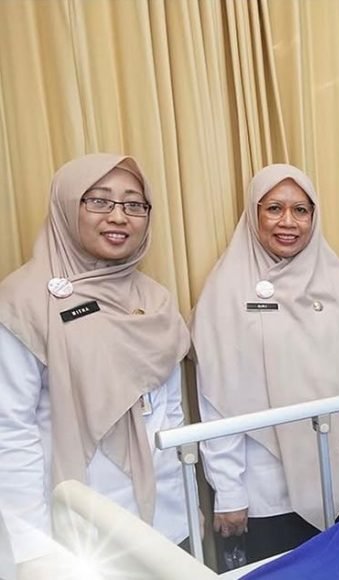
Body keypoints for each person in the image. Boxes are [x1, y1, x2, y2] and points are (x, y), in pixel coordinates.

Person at [0, 154, 191, 575]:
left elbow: (171, 412)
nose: (119, 217)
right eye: (99, 201)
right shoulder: (23, 301)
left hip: (165, 516)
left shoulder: (155, 299)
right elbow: (10, 431)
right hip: (78, 529)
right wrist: (32, 547)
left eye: (134, 204)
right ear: (68, 207)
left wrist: (184, 502)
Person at [191, 165, 339, 565]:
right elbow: (216, 397)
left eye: (301, 210)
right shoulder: (226, 289)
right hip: (265, 484)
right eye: (274, 208)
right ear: (254, 214)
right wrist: (229, 490)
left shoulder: (335, 278)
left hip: (336, 470)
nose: (288, 222)